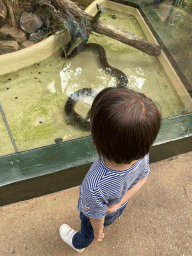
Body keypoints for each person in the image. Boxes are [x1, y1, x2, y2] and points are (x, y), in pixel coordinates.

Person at [59, 87, 162, 252]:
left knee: (88, 232)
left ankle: (78, 244)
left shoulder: (94, 184)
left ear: (95, 140)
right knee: (108, 217)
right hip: (118, 207)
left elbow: (95, 216)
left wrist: (98, 231)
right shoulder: (142, 155)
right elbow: (143, 178)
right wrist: (118, 204)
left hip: (100, 215)